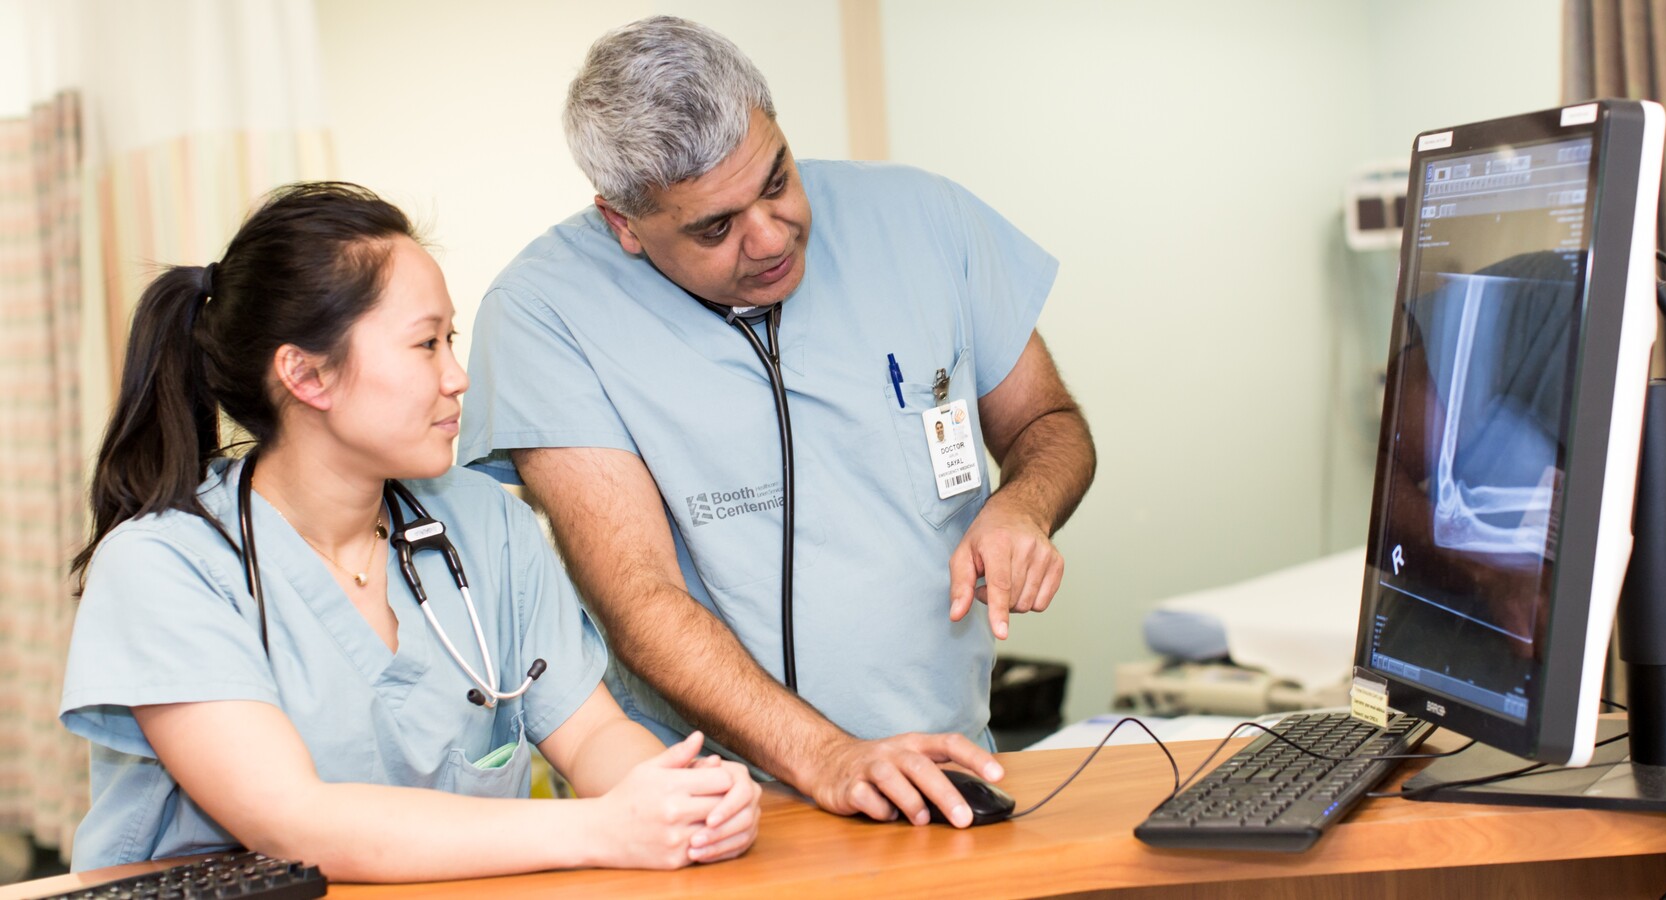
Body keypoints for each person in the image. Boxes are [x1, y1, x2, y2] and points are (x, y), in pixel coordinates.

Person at [458, 17, 1096, 830]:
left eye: (775, 181)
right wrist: (827, 757)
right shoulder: (544, 314)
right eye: (713, 228)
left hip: (946, 774)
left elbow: (1047, 421)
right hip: (712, 809)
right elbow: (640, 599)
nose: (769, 237)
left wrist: (1024, 504)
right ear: (623, 224)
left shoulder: (924, 221)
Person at [61, 183, 759, 880]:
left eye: (449, 340)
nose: (457, 377)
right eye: (426, 343)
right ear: (306, 375)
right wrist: (601, 828)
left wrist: (677, 798)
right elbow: (292, 821)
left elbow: (593, 733)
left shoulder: (487, 525)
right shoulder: (166, 567)